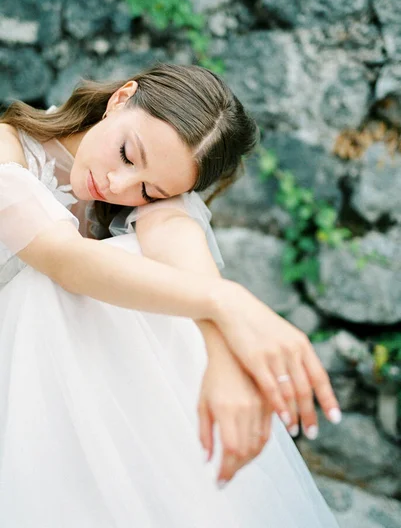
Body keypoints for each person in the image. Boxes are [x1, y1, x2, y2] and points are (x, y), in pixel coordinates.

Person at [0, 63, 340, 527]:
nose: (120, 185)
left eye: (148, 189)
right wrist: (229, 303)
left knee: (146, 261)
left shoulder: (162, 175)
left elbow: (179, 243)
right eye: (126, 153)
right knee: (53, 287)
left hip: (33, 365)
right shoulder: (7, 149)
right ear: (121, 98)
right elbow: (67, 261)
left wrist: (221, 350)